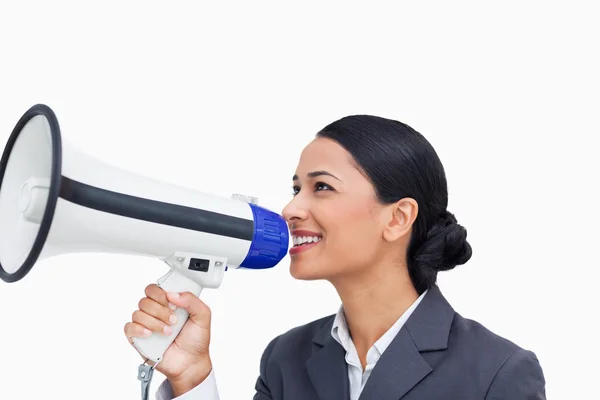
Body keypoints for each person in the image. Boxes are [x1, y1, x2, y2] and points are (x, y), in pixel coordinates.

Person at [124, 115, 546, 399]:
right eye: (295, 189)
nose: (290, 210)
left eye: (321, 187)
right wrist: (192, 376)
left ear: (398, 218)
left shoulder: (497, 372)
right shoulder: (286, 358)